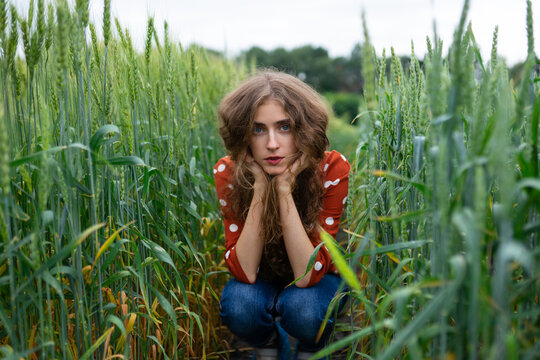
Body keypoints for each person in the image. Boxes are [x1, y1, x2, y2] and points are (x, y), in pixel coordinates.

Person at [214, 70, 350, 359]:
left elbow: (307, 276)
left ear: (304, 129)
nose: (272, 143)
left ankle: (312, 349)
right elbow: (246, 272)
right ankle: (269, 347)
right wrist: (262, 189)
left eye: (284, 127)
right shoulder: (229, 171)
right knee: (240, 304)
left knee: (306, 309)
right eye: (258, 129)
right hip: (261, 278)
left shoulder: (331, 169)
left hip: (317, 282)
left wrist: (285, 189)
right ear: (243, 135)